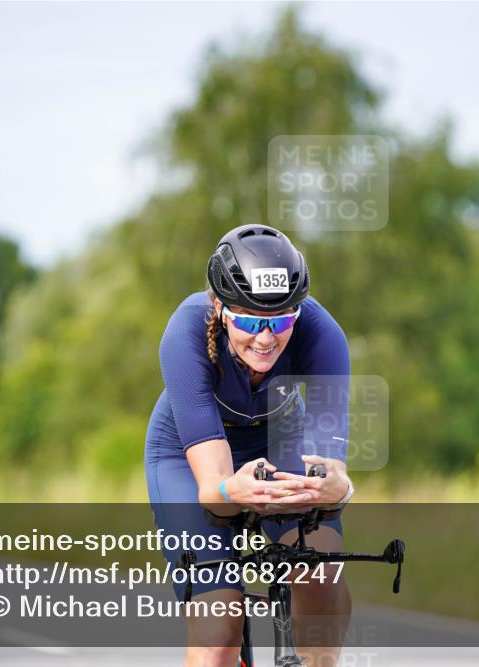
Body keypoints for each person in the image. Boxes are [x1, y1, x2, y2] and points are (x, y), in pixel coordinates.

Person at [145, 224, 355, 667]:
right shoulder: (184, 333)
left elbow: (331, 469)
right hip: (189, 453)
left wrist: (337, 489)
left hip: (280, 438)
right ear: (219, 307)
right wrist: (232, 495)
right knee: (220, 626)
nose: (266, 338)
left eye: (280, 320)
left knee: (324, 580)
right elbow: (214, 492)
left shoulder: (323, 334)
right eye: (251, 320)